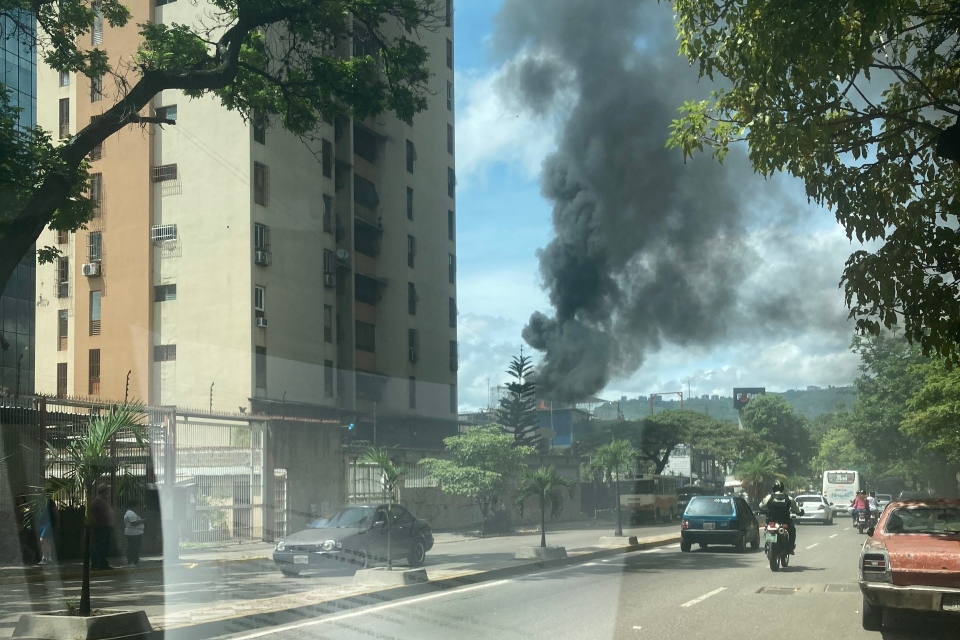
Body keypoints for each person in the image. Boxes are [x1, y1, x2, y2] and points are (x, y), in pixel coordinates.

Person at [759, 480, 803, 554]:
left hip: (771, 522)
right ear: (783, 488)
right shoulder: (789, 498)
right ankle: (790, 548)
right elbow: (796, 510)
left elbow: (761, 506)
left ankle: (768, 545)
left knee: (767, 530)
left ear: (773, 488)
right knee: (792, 531)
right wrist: (800, 512)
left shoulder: (769, 497)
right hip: (785, 522)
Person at [90, 484, 115, 570]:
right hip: (101, 527)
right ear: (104, 491)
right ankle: (96, 564)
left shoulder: (104, 500)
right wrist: (96, 523)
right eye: (107, 490)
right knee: (99, 546)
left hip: (106, 526)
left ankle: (104, 564)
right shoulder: (98, 500)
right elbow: (91, 513)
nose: (108, 492)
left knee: (105, 546)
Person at [37, 496, 58, 566]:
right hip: (42, 524)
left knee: (42, 540)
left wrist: (57, 522)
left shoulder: (49, 501)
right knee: (47, 541)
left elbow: (55, 511)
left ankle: (45, 558)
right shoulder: (38, 501)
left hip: (48, 523)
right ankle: (49, 558)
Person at [123, 501, 145, 566]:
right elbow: (134, 523)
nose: (137, 507)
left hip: (135, 533)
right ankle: (131, 561)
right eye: (136, 506)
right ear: (133, 506)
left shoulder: (131, 513)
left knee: (135, 547)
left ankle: (134, 560)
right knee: (133, 547)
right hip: (133, 533)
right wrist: (142, 521)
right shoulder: (130, 513)